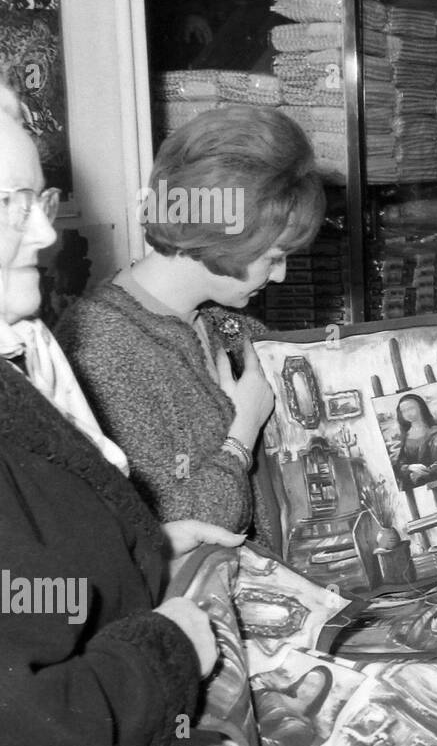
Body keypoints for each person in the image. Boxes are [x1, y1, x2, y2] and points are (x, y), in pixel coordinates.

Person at [0, 86, 231, 746]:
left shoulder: (22, 350)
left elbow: (37, 547)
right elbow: (19, 736)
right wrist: (169, 650)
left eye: (39, 197)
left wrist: (153, 542)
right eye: (6, 205)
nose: (48, 234)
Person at [57, 106, 325, 535]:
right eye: (274, 256)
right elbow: (168, 538)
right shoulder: (98, 352)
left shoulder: (227, 325)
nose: (281, 275)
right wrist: (243, 430)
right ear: (226, 235)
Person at [390, 393, 437, 488]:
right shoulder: (403, 439)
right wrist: (409, 467)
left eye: (411, 408)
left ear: (421, 408)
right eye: (403, 411)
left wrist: (429, 471)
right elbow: (398, 465)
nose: (407, 413)